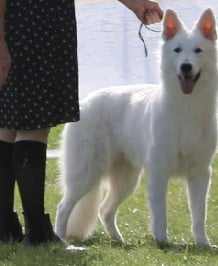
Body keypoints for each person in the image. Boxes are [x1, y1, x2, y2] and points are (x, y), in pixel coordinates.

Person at [0, 0, 162, 245]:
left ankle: (5, 226)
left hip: (37, 26)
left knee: (9, 127)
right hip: (32, 28)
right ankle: (37, 233)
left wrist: (134, 3)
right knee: (31, 127)